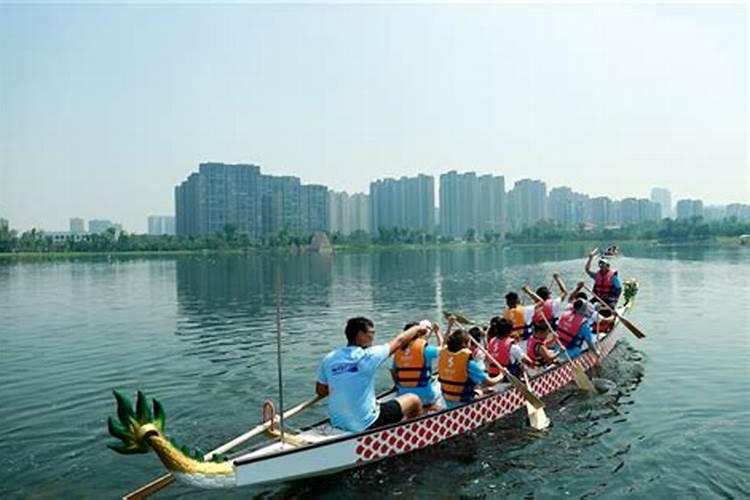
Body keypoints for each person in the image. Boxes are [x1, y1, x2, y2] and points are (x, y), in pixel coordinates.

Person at [316, 317, 429, 433]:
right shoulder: (368, 355)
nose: (373, 337)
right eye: (371, 333)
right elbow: (400, 341)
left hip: (338, 422)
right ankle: (411, 436)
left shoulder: (329, 358)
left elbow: (321, 391)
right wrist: (417, 328)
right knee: (414, 400)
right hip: (366, 424)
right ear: (360, 334)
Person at [438, 328, 504, 408]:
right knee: (492, 389)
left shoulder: (443, 356)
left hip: (447, 399)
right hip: (463, 402)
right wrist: (502, 375)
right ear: (464, 344)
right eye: (469, 342)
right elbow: (490, 382)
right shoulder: (469, 363)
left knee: (480, 391)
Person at [390, 322, 444, 410]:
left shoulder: (398, 351)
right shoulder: (426, 349)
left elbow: (393, 371)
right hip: (424, 397)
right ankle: (431, 407)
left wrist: (399, 385)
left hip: (403, 396)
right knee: (440, 384)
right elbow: (442, 349)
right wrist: (438, 332)